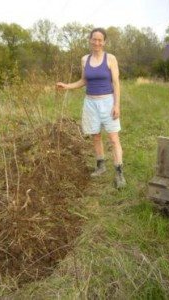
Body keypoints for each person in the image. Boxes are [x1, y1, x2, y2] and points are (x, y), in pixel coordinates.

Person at [56, 27, 126, 189]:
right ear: (90, 40)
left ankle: (119, 172)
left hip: (107, 102)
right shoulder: (84, 60)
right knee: (95, 136)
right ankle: (101, 165)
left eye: (100, 40)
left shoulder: (110, 59)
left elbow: (116, 83)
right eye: (94, 39)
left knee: (114, 139)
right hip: (90, 103)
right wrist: (66, 86)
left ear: (104, 42)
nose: (96, 42)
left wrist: (116, 105)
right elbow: (83, 81)